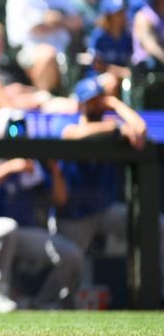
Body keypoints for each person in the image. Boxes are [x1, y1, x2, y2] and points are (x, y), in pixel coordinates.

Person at [0, 110, 82, 313]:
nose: (16, 135)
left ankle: (44, 302)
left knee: (71, 255)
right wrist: (7, 169)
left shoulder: (30, 161)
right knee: (5, 228)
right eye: (11, 129)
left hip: (22, 231)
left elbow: (60, 199)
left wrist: (54, 169)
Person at [52, 77, 164, 291]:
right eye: (91, 100)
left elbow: (141, 130)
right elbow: (71, 135)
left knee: (157, 224)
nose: (96, 104)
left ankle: (158, 293)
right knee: (68, 265)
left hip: (104, 208)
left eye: (99, 100)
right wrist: (114, 126)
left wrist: (115, 104)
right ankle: (47, 303)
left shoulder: (114, 127)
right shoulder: (68, 121)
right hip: (74, 213)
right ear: (81, 103)